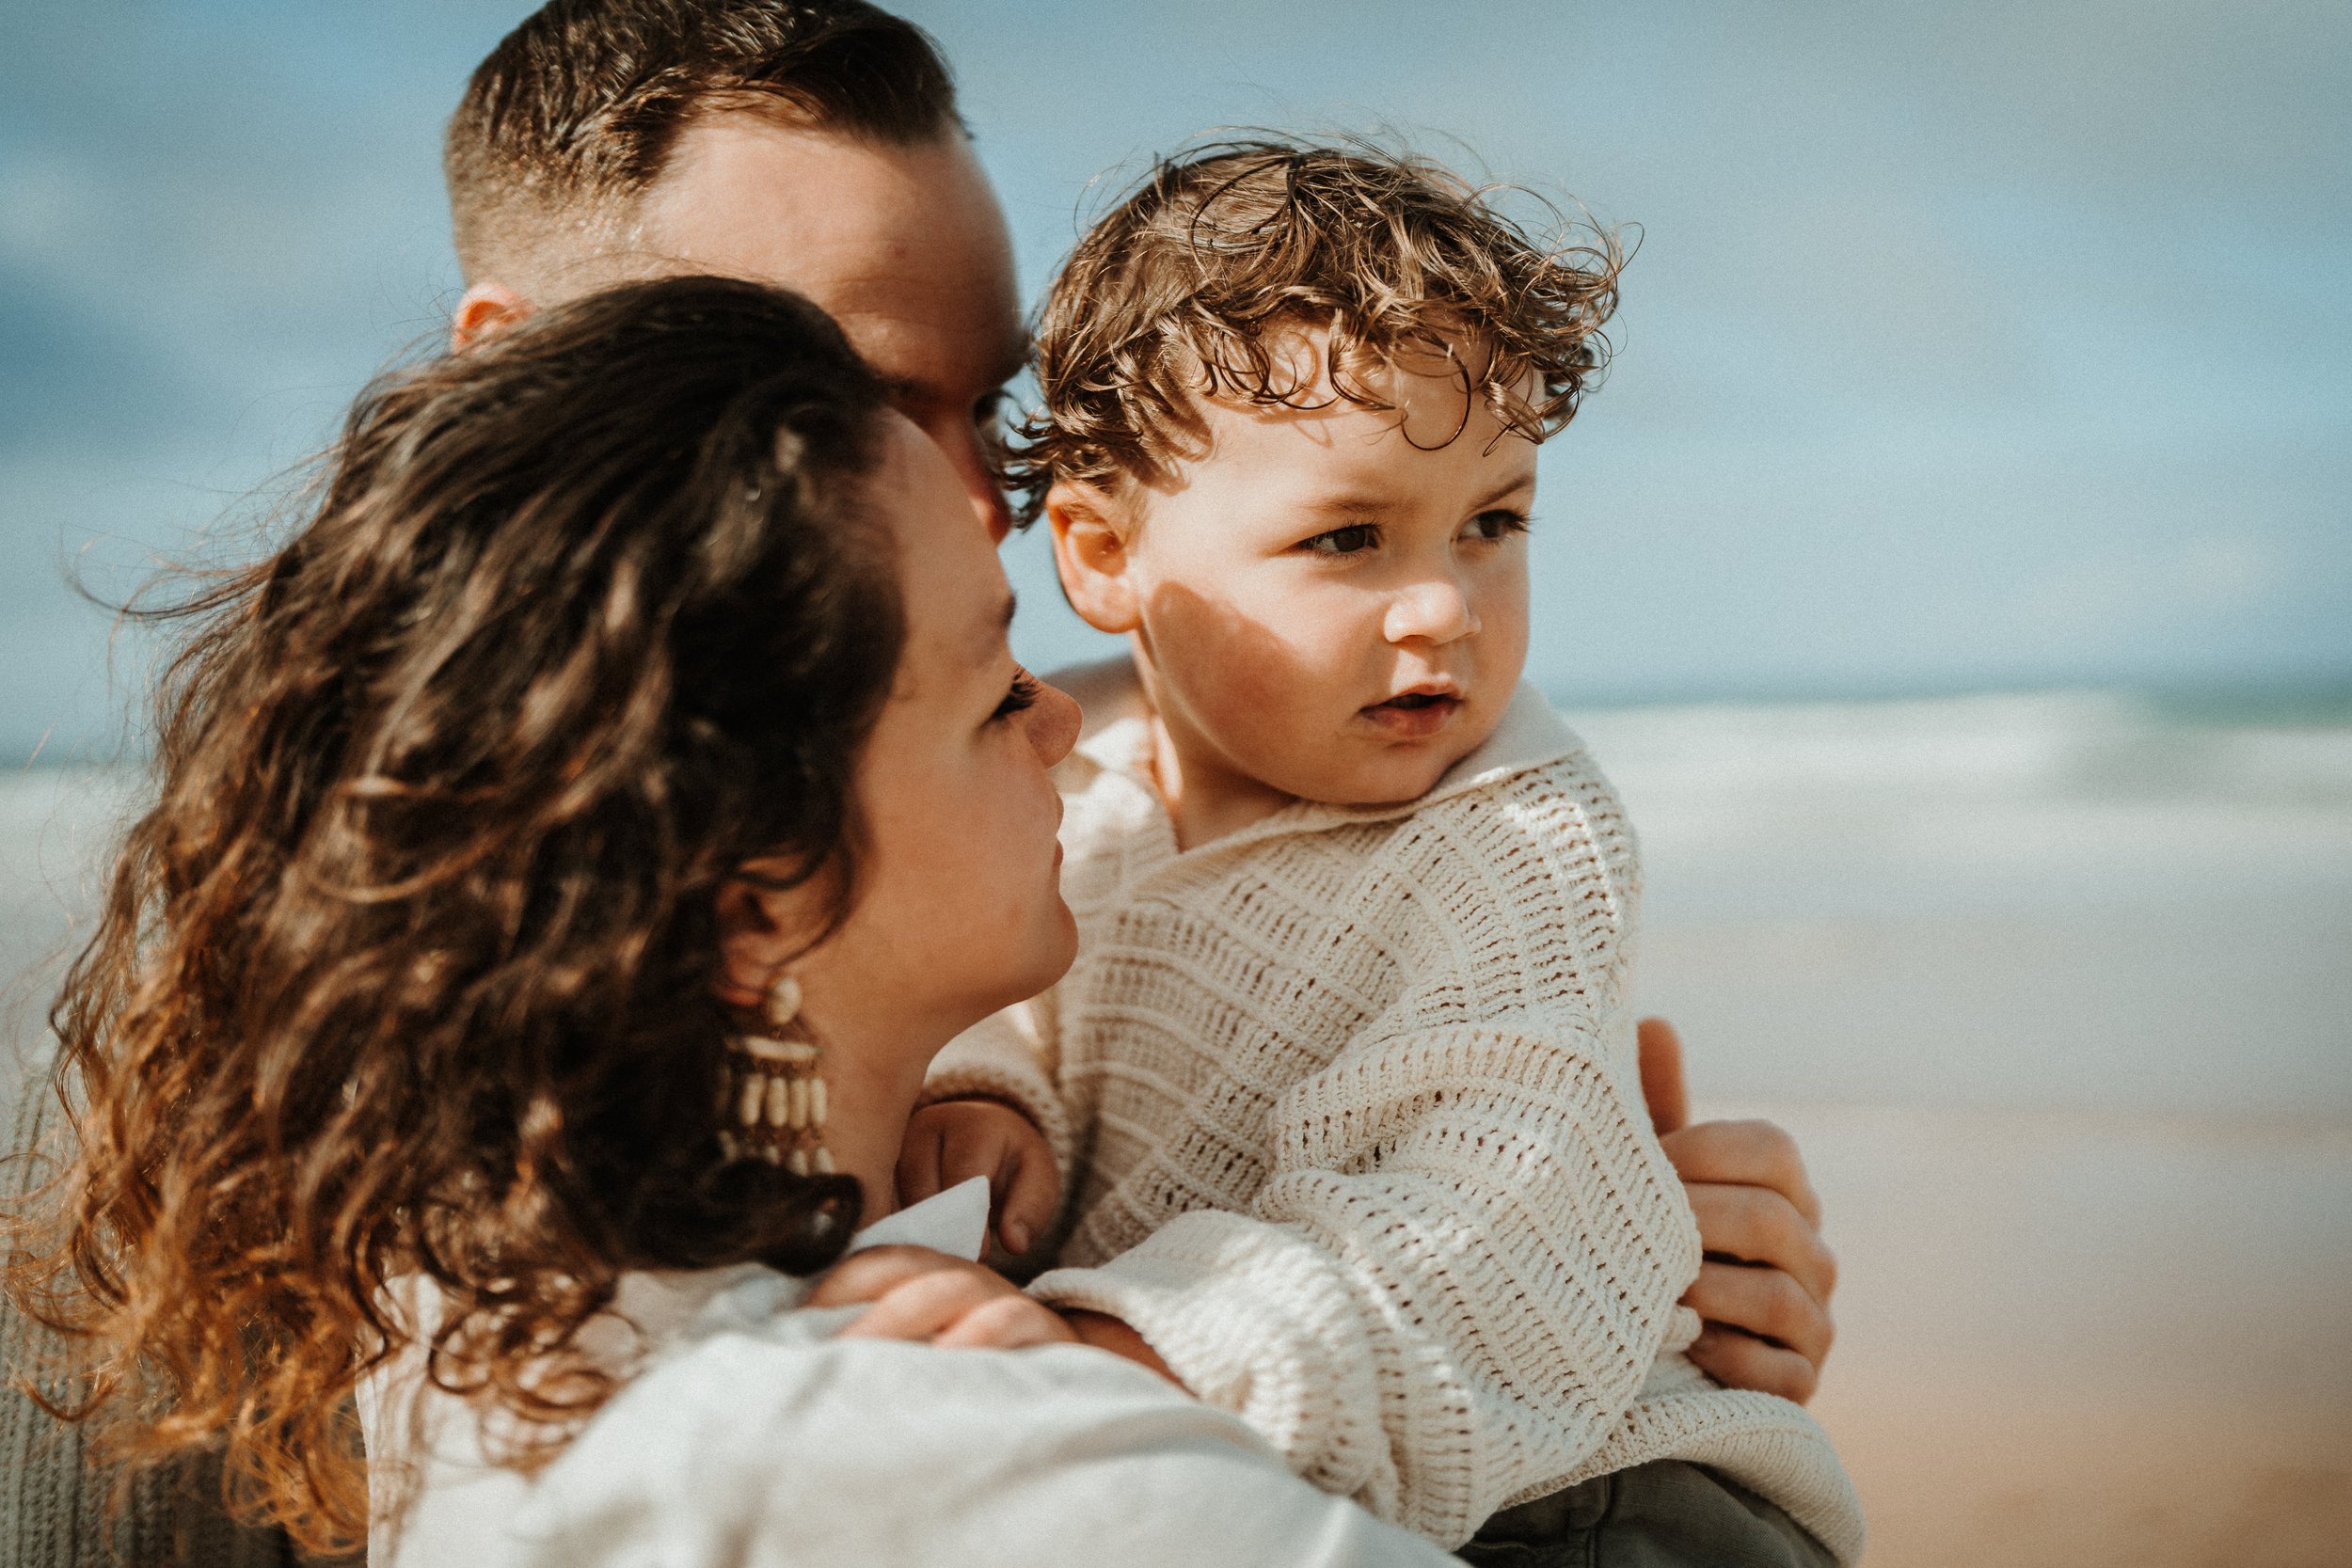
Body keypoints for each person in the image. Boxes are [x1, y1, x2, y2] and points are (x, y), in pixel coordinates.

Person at [441, 0, 1840, 1415]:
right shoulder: (388, 1005)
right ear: (513, 368)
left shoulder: (1037, 747)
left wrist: (1607, 1249)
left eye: (988, 408)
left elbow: (1487, 1215)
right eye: (841, 400)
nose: (985, 502)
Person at [4, 275, 1474, 1568]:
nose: (1060, 730)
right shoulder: (917, 1458)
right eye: (988, 692)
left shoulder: (481, 1318)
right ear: (749, 891)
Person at [888, 140, 1864, 1564]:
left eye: (1494, 522)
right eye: (1349, 536)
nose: (1443, 611)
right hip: (1284, 1455)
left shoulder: (1518, 838)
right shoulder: (1066, 781)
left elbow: (1474, 1216)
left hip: (1595, 1498)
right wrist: (998, 1091)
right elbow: (1018, 985)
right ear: (1100, 556)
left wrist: (1121, 1350)